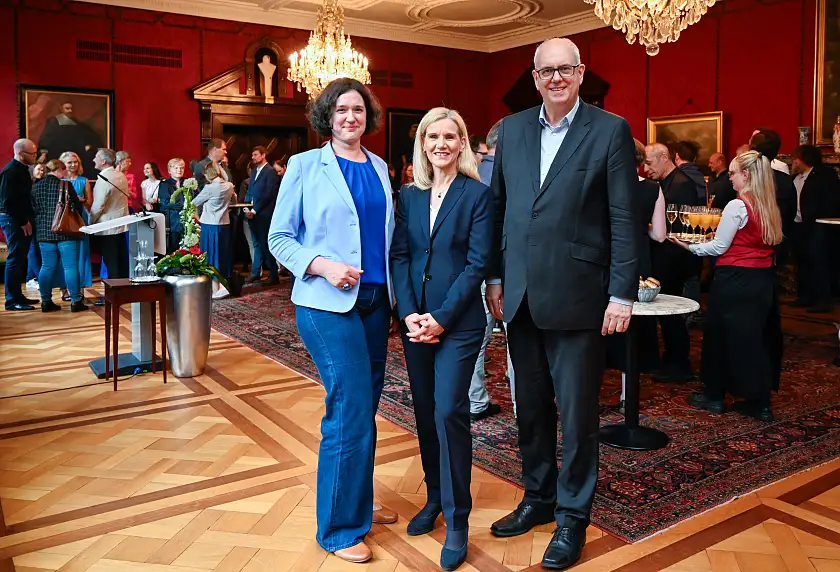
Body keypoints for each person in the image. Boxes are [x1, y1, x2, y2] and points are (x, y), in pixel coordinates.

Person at [485, 38, 638, 570]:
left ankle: (573, 517)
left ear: (580, 73)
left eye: (565, 70)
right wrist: (496, 275)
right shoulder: (515, 130)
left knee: (577, 418)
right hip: (520, 294)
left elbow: (623, 217)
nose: (555, 79)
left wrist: (621, 293)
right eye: (546, 71)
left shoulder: (610, 130)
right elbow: (501, 207)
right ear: (534, 77)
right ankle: (539, 498)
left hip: (581, 297)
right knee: (530, 411)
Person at [268, 78, 397, 564]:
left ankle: (357, 504)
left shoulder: (381, 166)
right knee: (348, 407)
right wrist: (323, 265)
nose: (350, 118)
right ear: (327, 116)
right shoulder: (304, 166)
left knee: (365, 410)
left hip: (375, 303)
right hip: (326, 305)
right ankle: (339, 530)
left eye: (359, 111)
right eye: (341, 110)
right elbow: (278, 239)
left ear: (369, 117)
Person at [391, 107, 493, 571]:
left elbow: (476, 264)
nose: (442, 144)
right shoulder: (409, 196)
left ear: (462, 142)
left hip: (459, 322)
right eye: (434, 136)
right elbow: (401, 255)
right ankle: (434, 497)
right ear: (423, 142)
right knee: (426, 413)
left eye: (450, 136)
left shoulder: (478, 195)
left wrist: (440, 318)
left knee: (451, 410)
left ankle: (457, 518)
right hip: (415, 321)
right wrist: (411, 312)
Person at [676, 151, 783, 422]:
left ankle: (714, 395)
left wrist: (689, 246)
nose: (730, 178)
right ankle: (759, 401)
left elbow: (719, 246)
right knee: (754, 338)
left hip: (735, 278)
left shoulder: (739, 205)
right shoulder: (767, 203)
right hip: (762, 280)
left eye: (733, 173)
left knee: (721, 337)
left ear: (746, 175)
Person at [607, 139, 666, 411]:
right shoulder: (653, 188)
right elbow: (660, 235)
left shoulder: (604, 186)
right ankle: (626, 394)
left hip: (607, 258)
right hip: (639, 259)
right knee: (634, 325)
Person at [30, 159, 88, 312]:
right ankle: (76, 301)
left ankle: (46, 301)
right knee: (70, 267)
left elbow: (32, 211)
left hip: (44, 233)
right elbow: (77, 208)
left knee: (46, 267)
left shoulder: (35, 187)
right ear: (60, 169)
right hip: (66, 232)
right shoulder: (66, 185)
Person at [0, 139, 39, 311]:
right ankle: (11, 300)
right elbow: (7, 202)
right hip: (14, 220)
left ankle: (18, 295)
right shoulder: (10, 172)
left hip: (21, 219)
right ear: (21, 154)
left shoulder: (22, 170)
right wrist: (23, 221)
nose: (35, 157)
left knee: (20, 258)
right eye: (32, 154)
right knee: (15, 259)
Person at [193, 161, 236, 299]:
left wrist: (197, 216)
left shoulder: (209, 188)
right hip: (224, 224)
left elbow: (194, 203)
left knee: (211, 256)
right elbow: (233, 202)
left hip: (210, 225)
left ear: (207, 175)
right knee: (222, 255)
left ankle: (217, 287)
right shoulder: (229, 186)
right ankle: (220, 286)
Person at [90, 148, 130, 278]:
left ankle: (115, 293)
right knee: (121, 260)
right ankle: (123, 291)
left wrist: (90, 222)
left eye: (96, 157)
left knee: (111, 262)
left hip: (107, 227)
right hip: (121, 224)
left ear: (102, 161)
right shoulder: (120, 175)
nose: (93, 160)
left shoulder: (104, 178)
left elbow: (98, 206)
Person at [245, 145, 280, 285]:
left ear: (263, 155)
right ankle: (256, 273)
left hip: (264, 214)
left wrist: (255, 210)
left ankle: (273, 274)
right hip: (252, 213)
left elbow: (268, 194)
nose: (253, 158)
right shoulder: (254, 172)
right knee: (257, 244)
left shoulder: (270, 172)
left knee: (266, 244)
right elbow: (250, 191)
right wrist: (246, 207)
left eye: (255, 155)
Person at [59, 151, 93, 291]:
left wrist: (82, 200)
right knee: (64, 253)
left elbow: (90, 202)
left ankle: (80, 287)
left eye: (75, 162)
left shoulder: (83, 180)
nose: (73, 165)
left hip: (80, 219)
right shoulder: (60, 180)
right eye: (69, 162)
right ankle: (64, 287)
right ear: (63, 164)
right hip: (63, 220)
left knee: (81, 254)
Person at [159, 158, 187, 253]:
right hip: (173, 223)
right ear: (169, 171)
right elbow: (165, 203)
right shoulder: (165, 184)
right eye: (176, 168)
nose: (179, 170)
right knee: (174, 250)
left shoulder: (187, 183)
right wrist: (182, 203)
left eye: (181, 168)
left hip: (187, 222)